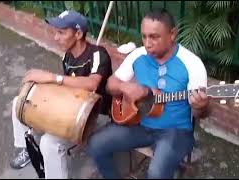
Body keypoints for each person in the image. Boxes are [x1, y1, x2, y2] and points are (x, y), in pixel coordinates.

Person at [87, 8, 209, 179]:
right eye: (144, 36)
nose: (147, 43)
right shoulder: (138, 55)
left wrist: (201, 107)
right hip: (139, 124)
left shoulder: (192, 64)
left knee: (156, 173)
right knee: (96, 144)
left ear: (172, 34)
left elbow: (201, 114)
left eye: (154, 37)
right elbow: (110, 84)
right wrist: (126, 88)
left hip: (176, 131)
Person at [9, 10, 112, 179]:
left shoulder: (98, 54)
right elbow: (66, 86)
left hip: (96, 116)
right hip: (71, 109)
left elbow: (92, 83)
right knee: (19, 102)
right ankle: (28, 149)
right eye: (56, 32)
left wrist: (50, 77)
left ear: (78, 34)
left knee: (49, 142)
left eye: (61, 33)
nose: (56, 37)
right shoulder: (68, 57)